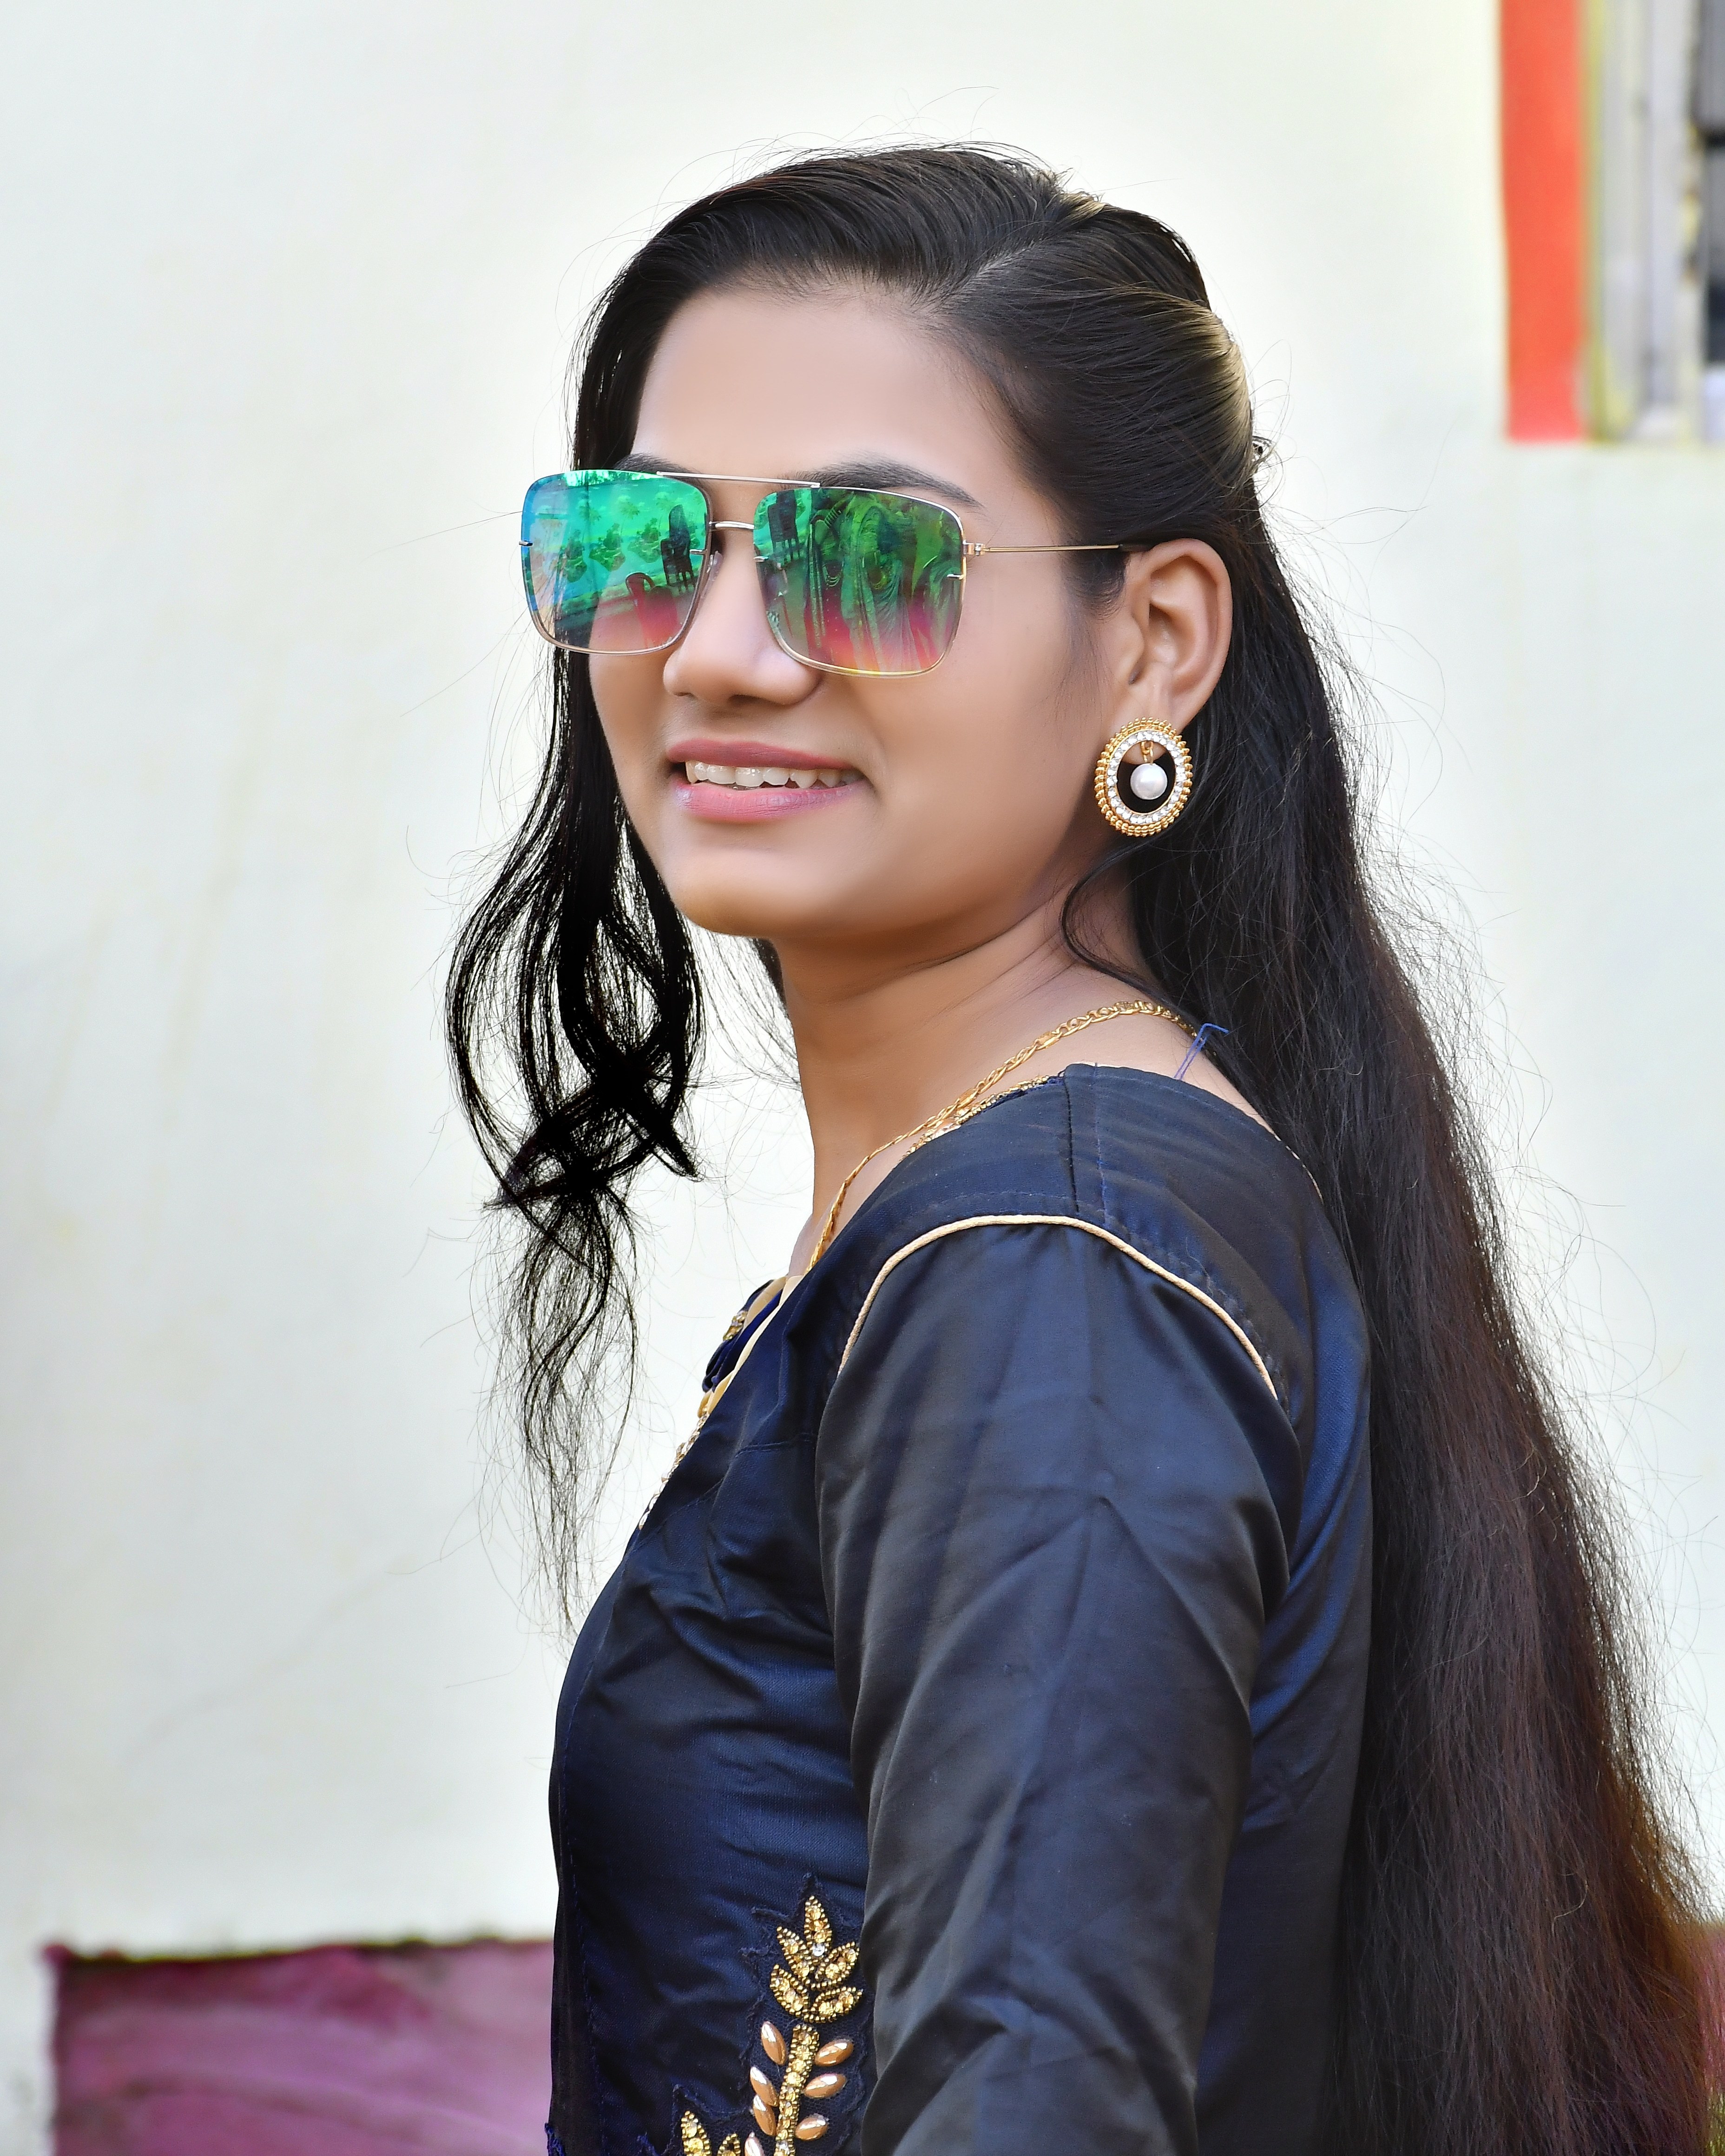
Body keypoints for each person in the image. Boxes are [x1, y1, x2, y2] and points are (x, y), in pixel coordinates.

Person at [448, 147, 1712, 2156]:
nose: (716, 653)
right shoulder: (1033, 1201)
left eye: (870, 557)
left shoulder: (1050, 1263)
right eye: (643, 539)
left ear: (1156, 644)